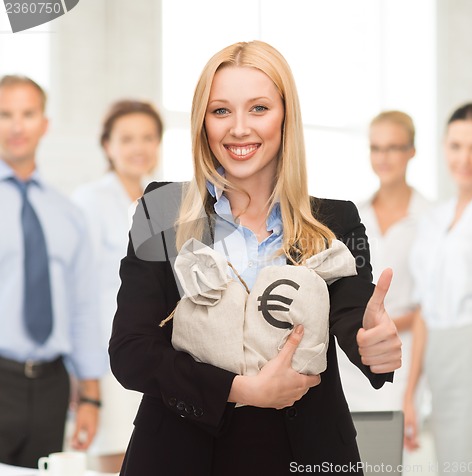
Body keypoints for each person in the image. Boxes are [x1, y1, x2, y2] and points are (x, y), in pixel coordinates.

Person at [109, 41, 402, 476]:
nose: (239, 128)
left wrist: (371, 343)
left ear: (286, 118)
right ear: (202, 122)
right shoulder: (161, 210)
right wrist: (241, 389)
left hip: (304, 453)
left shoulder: (336, 220)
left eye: (259, 108)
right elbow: (132, 351)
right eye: (221, 111)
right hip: (184, 453)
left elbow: (352, 310)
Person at [0, 75, 106, 468]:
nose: (16, 125)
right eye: (5, 114)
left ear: (44, 124)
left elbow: (82, 308)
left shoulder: (68, 214)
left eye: (27, 114)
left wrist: (91, 397)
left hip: (52, 386)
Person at [406, 102, 472, 473]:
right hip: (437, 364)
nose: (465, 158)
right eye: (456, 146)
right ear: (444, 147)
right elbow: (424, 311)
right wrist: (411, 394)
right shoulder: (434, 219)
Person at [72, 99, 164, 473]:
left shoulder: (163, 201)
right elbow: (81, 293)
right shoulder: (88, 202)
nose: (138, 147)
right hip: (108, 359)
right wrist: (85, 378)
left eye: (147, 137)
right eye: (127, 138)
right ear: (107, 145)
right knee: (113, 461)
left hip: (155, 356)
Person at [336, 111, 430, 415]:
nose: (383, 157)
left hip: (400, 356)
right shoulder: (351, 216)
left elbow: (427, 310)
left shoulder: (432, 218)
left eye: (393, 147)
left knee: (390, 455)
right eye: (376, 148)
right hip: (352, 355)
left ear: (411, 151)